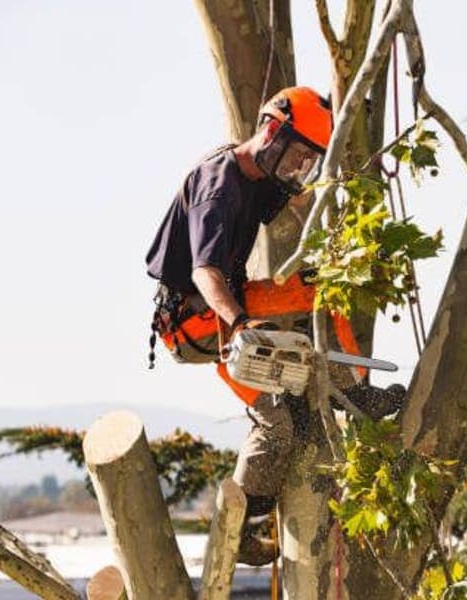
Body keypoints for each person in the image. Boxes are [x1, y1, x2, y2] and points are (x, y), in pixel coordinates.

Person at [145, 86, 404, 565]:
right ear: (271, 131)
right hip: (196, 320)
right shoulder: (218, 186)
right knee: (284, 404)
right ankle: (349, 394)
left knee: (286, 410)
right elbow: (205, 271)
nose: (299, 166)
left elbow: (302, 202)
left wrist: (352, 244)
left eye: (309, 158)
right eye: (299, 153)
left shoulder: (263, 174)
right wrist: (242, 322)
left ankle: (349, 393)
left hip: (226, 307)